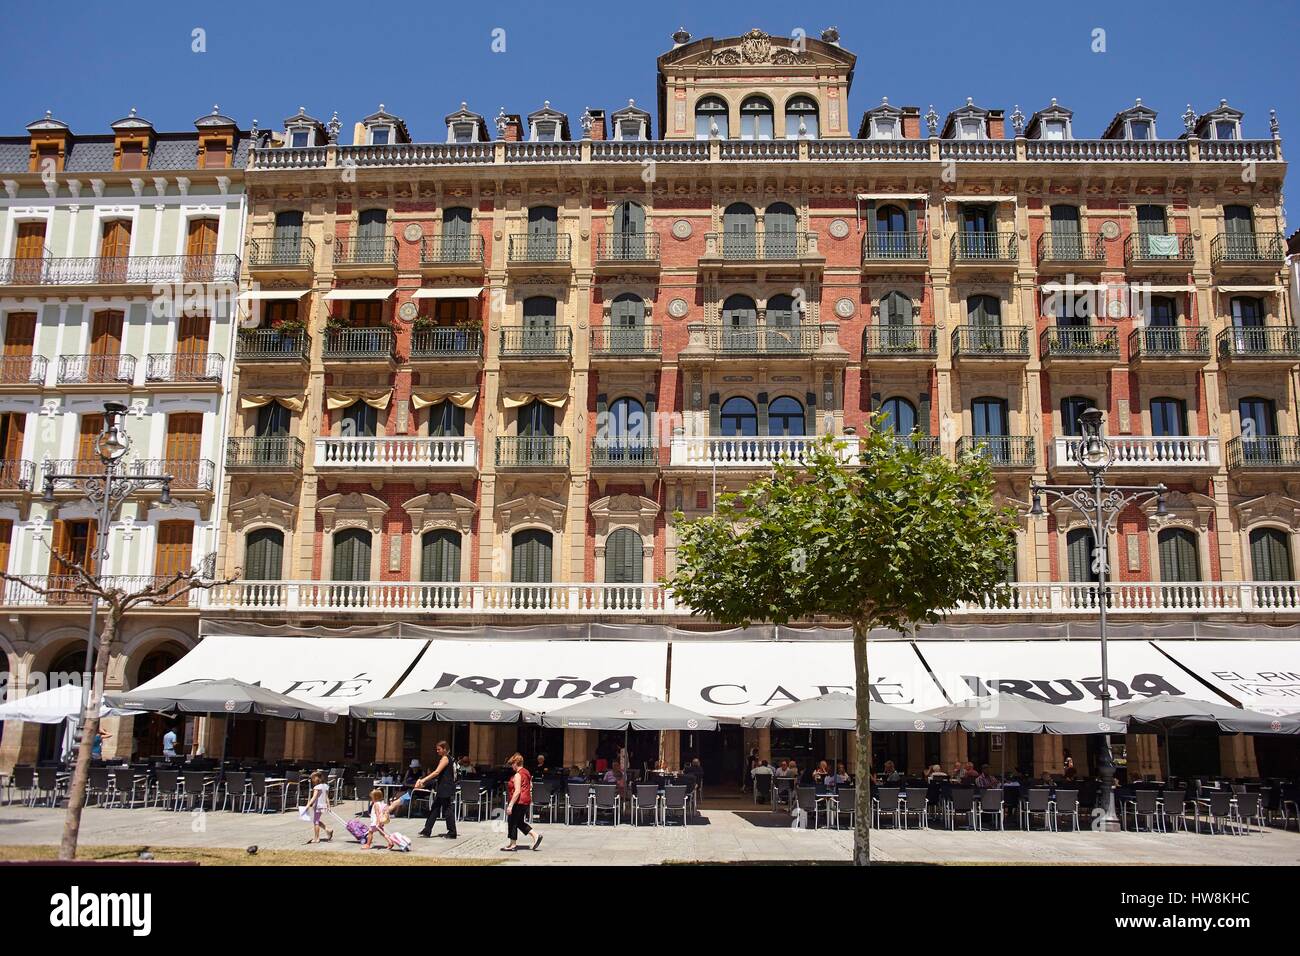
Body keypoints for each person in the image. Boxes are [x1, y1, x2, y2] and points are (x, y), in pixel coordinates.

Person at [415, 740, 458, 840]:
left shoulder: (445, 758)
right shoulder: (447, 758)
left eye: (439, 749)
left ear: (445, 749)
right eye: (437, 749)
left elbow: (437, 772)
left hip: (445, 787)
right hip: (443, 787)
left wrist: (423, 780)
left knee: (447, 809)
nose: (437, 751)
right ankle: (427, 830)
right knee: (435, 808)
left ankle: (452, 832)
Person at [501, 753, 541, 852]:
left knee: (512, 822)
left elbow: (517, 791)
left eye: (512, 764)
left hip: (518, 802)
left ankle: (512, 844)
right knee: (518, 822)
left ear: (516, 763)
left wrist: (510, 805)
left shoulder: (518, 775)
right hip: (525, 801)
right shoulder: (526, 772)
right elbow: (530, 785)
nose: (511, 766)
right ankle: (535, 835)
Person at [304, 771, 335, 844]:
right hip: (323, 806)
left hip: (318, 806)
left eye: (313, 779)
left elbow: (314, 798)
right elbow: (327, 798)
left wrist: (307, 806)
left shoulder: (316, 787)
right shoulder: (325, 786)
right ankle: (328, 830)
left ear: (317, 778)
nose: (312, 780)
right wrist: (329, 806)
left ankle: (316, 838)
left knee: (316, 822)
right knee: (316, 820)